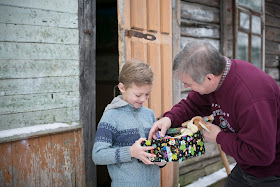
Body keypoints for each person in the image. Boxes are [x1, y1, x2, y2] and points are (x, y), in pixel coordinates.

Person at [148, 41, 280, 186]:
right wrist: (169, 118)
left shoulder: (252, 98)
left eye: (189, 83)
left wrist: (219, 136)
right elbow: (192, 105)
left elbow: (261, 155)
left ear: (209, 78)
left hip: (271, 172)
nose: (186, 87)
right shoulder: (216, 79)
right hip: (246, 167)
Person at [92, 59, 166, 187]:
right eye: (138, 95)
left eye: (147, 94)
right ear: (122, 88)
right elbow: (98, 155)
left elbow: (158, 152)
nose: (143, 99)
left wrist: (162, 160)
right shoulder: (111, 116)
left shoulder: (150, 114)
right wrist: (131, 152)